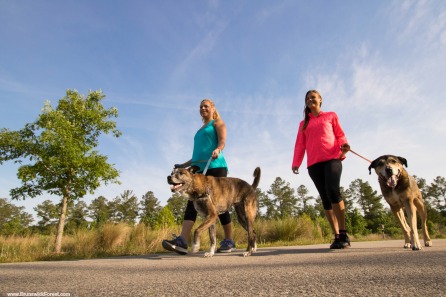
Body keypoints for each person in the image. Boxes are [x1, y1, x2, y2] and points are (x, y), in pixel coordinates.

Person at [162, 99, 235, 255]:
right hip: (199, 171)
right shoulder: (200, 129)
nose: (203, 108)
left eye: (206, 106)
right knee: (192, 202)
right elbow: (196, 156)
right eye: (201, 107)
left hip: (216, 166)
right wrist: (183, 164)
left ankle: (229, 240)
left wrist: (218, 149)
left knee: (218, 204)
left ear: (213, 108)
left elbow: (222, 141)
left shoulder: (217, 123)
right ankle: (182, 241)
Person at [291, 90, 351, 249]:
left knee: (333, 191)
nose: (310, 99)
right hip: (314, 164)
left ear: (320, 100)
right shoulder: (303, 124)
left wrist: (344, 147)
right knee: (325, 198)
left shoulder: (331, 116)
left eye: (313, 97)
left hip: (332, 159)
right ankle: (337, 236)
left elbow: (340, 135)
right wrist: (296, 162)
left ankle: (344, 233)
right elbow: (300, 144)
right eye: (308, 98)